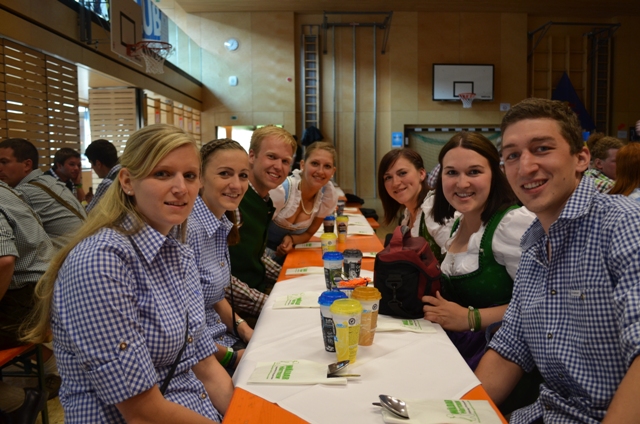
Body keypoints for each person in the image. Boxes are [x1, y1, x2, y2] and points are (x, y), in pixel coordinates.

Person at [22, 124, 233, 423]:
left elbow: (206, 367)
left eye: (189, 176)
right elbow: (143, 413)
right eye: (162, 174)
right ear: (127, 182)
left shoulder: (178, 252)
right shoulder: (100, 262)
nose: (181, 188)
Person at [475, 98, 640, 423]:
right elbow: (510, 347)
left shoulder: (624, 224)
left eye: (542, 149)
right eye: (512, 155)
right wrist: (456, 414)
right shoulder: (533, 244)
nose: (525, 167)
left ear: (581, 158)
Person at [428, 133, 535, 370]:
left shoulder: (512, 224)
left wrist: (471, 318)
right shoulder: (458, 223)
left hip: (505, 360)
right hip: (458, 349)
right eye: (451, 172)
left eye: (474, 172)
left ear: (495, 175)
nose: (462, 183)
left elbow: (541, 304)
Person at [187, 138, 253, 374]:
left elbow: (214, 295)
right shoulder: (190, 229)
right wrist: (231, 357)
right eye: (225, 174)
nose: (236, 185)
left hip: (223, 341)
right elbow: (184, 326)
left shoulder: (219, 223)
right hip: (205, 358)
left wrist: (246, 331)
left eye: (243, 176)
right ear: (200, 178)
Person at [227, 125, 297, 322]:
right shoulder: (233, 199)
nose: (278, 166)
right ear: (251, 156)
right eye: (271, 157)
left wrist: (289, 278)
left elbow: (256, 256)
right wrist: (270, 304)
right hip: (235, 311)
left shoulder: (264, 201)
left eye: (285, 161)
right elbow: (219, 277)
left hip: (256, 295)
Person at [0, 181, 53, 422]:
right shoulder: (8, 191)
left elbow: (4, 261)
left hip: (23, 302)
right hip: (41, 293)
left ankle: (16, 401)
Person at [0, 138, 86, 249]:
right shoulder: (50, 181)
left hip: (68, 256)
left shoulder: (24, 192)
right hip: (87, 248)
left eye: (4, 162)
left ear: (27, 165)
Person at [266, 141, 338, 263]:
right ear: (303, 165)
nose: (320, 171)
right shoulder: (282, 190)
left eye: (327, 166)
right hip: (259, 258)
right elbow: (253, 234)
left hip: (290, 257)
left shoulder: (327, 195)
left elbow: (308, 233)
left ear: (333, 172)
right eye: (315, 163)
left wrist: (292, 239)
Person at [378, 148, 451, 262]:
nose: (395, 183)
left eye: (402, 173)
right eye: (388, 177)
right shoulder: (408, 214)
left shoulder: (433, 208)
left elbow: (456, 261)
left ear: (421, 174)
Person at [84, 138, 121, 212]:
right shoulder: (125, 174)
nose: (92, 167)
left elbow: (89, 213)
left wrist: (87, 203)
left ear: (98, 164)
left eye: (91, 163)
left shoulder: (107, 183)